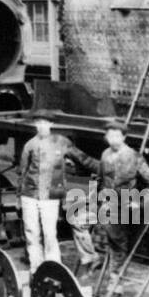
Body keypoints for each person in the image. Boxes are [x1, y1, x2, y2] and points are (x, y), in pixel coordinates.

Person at [87, 120, 149, 297]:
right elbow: (101, 180)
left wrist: (140, 202)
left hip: (128, 207)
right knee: (113, 245)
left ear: (124, 137)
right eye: (110, 136)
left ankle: (114, 286)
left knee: (119, 246)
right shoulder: (105, 155)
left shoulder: (134, 156)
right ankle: (114, 284)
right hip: (109, 205)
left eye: (117, 136)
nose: (113, 139)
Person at [17, 116, 94, 272]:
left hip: (50, 196)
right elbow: (22, 172)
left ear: (51, 124)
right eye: (39, 123)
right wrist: (19, 197)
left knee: (50, 233)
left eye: (45, 123)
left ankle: (53, 266)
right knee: (32, 234)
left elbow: (83, 159)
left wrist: (103, 168)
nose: (42, 126)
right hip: (30, 195)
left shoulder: (61, 142)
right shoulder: (29, 145)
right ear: (35, 125)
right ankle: (35, 268)